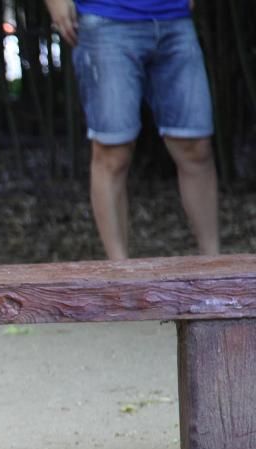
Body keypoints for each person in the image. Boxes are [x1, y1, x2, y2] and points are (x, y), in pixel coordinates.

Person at [45, 0, 219, 260]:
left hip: (174, 17)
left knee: (195, 147)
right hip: (105, 18)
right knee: (112, 152)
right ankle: (120, 277)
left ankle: (214, 268)